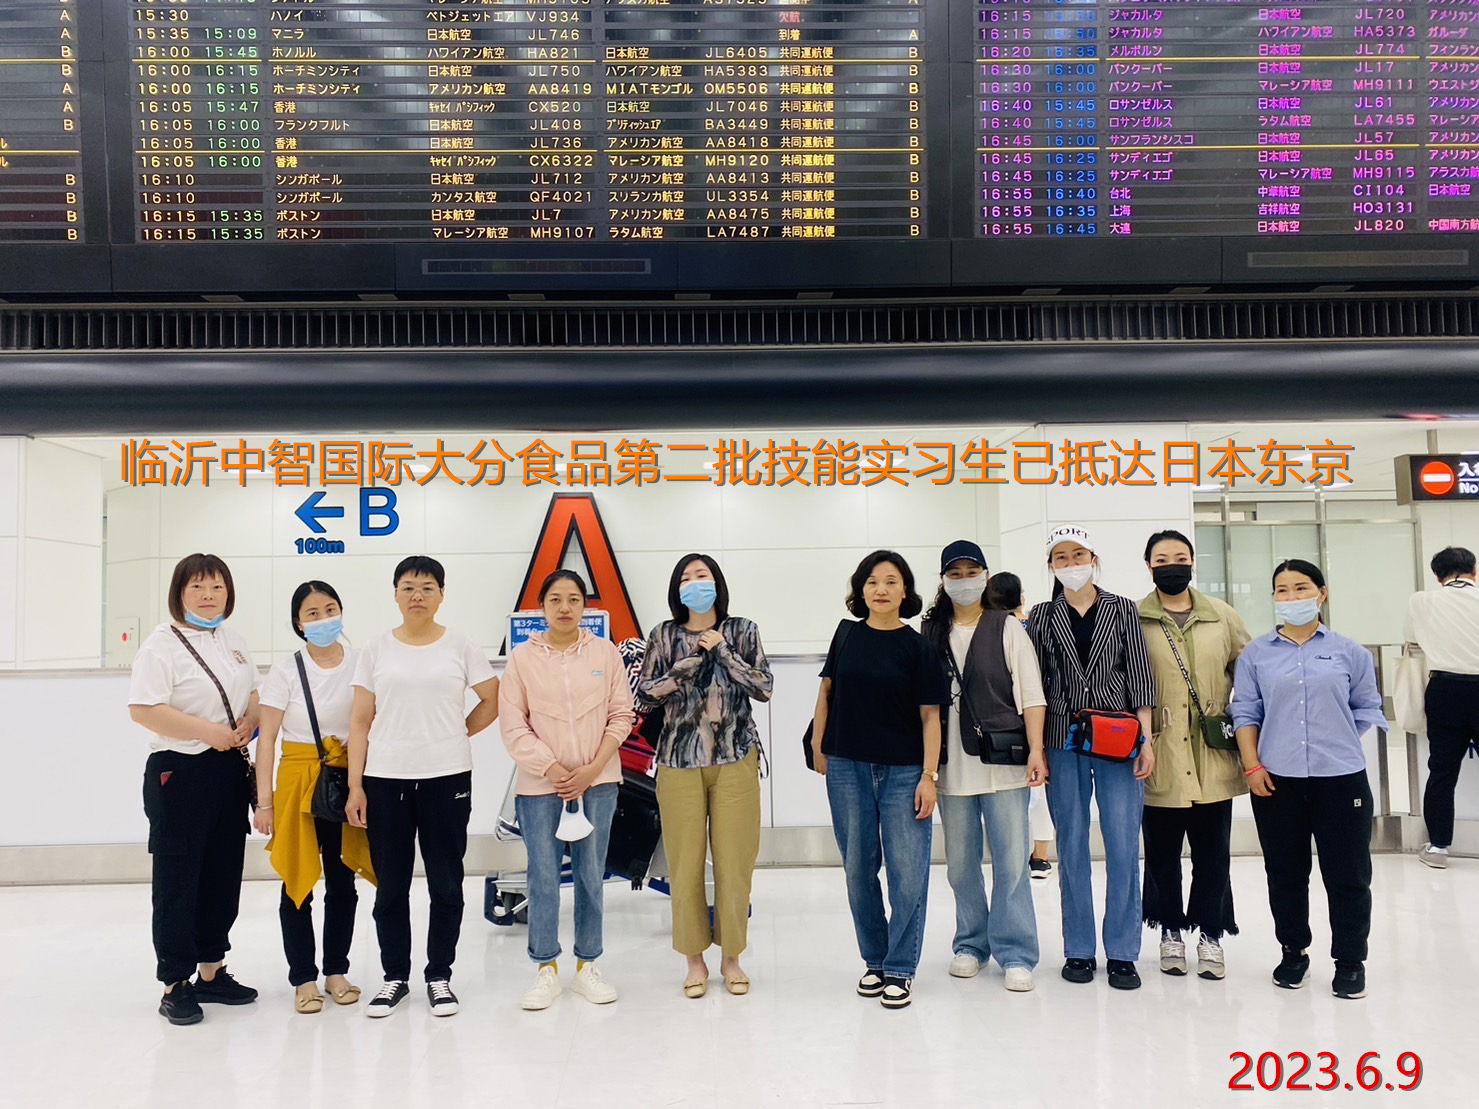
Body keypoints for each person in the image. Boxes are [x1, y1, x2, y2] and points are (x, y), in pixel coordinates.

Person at [345, 556, 500, 1018]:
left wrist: (457, 731)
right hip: (384, 778)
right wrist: (355, 786)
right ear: (395, 594)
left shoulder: (461, 645)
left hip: (447, 777)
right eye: (409, 586)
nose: (418, 595)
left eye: (428, 587)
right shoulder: (375, 649)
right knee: (390, 885)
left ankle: (439, 976)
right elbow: (359, 720)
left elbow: (492, 699)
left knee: (446, 882)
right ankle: (394, 976)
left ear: (441, 595)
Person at [1231, 558, 1385, 1001]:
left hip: (1341, 778)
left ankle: (1350, 961)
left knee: (1348, 874)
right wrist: (1252, 765)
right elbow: (1246, 712)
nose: (1292, 597)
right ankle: (1293, 951)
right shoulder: (1256, 655)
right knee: (1285, 872)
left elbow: (1366, 708)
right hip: (1277, 780)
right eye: (1282, 590)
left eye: (1301, 588)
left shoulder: (1350, 652)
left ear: (1322, 594)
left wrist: (1331, 739)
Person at [811, 550, 949, 1010]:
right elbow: (826, 691)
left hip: (905, 772)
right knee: (857, 869)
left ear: (905, 590)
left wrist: (929, 776)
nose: (881, 589)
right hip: (847, 767)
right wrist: (819, 746)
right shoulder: (846, 634)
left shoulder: (918, 647)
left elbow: (931, 718)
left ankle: (901, 967)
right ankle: (875, 960)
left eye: (891, 581)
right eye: (872, 582)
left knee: (907, 874)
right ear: (861, 590)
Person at [128, 553, 261, 1025]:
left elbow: (253, 694)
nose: (208, 596)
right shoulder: (160, 645)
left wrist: (249, 722)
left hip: (227, 770)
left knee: (222, 873)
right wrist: (209, 732)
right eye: (198, 587)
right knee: (179, 879)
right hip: (179, 772)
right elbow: (144, 709)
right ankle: (175, 982)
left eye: (217, 587)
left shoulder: (233, 640)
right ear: (179, 593)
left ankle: (212, 970)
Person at [638, 554, 773, 998]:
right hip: (678, 762)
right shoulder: (664, 634)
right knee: (684, 865)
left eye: (703, 576)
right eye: (686, 578)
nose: (695, 584)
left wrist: (722, 651)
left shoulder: (743, 630)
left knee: (735, 864)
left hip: (735, 758)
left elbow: (763, 687)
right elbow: (646, 694)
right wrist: (690, 662)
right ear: (677, 589)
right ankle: (694, 960)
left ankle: (732, 958)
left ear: (718, 583)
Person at [1028, 525, 1156, 991]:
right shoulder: (1042, 616)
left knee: (1123, 845)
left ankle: (1122, 951)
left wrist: (1146, 739)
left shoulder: (1122, 609)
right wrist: (1037, 748)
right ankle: (1079, 948)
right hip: (1062, 740)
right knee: (1072, 846)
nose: (1071, 564)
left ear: (1094, 559)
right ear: (1051, 566)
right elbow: (1034, 686)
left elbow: (1140, 675)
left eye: (1078, 555)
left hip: (1118, 738)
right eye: (1061, 558)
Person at [500, 570, 635, 1011]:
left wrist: (592, 769)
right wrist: (555, 770)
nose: (564, 607)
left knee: (591, 876)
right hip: (541, 787)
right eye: (555, 599)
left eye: (573, 599)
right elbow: (514, 726)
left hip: (598, 784)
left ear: (584, 606)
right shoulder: (522, 659)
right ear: (542, 606)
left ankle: (587, 965)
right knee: (542, 878)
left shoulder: (605, 653)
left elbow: (622, 715)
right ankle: (545, 968)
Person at [922, 541, 1046, 992]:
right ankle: (971, 944)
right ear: (943, 580)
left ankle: (1016, 951)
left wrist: (1037, 750)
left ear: (986, 576)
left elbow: (1031, 693)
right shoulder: (930, 630)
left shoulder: (1006, 626)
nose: (963, 581)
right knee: (960, 865)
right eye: (954, 574)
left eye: (971, 572)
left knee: (1012, 863)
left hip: (1003, 764)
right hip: (950, 767)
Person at [254, 580, 375, 1013]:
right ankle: (303, 978)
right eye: (312, 613)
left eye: (330, 609)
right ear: (298, 623)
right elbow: (267, 738)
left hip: (348, 778)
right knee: (297, 881)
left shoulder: (362, 663)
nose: (324, 619)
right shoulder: (286, 670)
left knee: (342, 879)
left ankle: (336, 971)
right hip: (297, 781)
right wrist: (264, 803)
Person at [1137, 530, 1251, 982]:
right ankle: (1170, 930)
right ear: (1149, 565)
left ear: (1192, 562)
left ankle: (1210, 933)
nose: (1172, 565)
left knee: (1213, 854)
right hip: (1159, 753)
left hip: (1211, 755)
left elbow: (1249, 672)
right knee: (1162, 854)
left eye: (1180, 557)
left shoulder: (1222, 616)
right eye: (1162, 558)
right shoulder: (1135, 618)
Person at [1404, 546, 1479, 869]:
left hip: (1445, 689)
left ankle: (1437, 847)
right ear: (1475, 571)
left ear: (1438, 576)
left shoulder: (1422, 601)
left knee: (1443, 771)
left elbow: (1411, 640)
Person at [989, 571, 1055, 878]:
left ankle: (1012, 856)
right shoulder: (1033, 628)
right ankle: (1040, 856)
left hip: (1004, 722)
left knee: (1011, 794)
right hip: (1039, 715)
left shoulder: (991, 631)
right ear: (1021, 598)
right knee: (1039, 790)